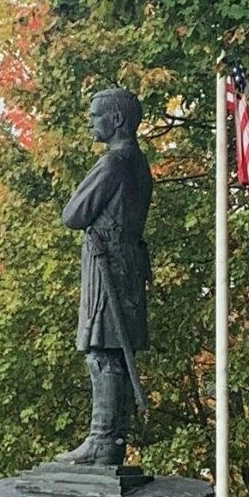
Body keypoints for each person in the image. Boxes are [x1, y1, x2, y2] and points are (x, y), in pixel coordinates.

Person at [55, 88, 153, 466]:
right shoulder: (139, 163)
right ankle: (113, 438)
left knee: (103, 351)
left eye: (96, 115)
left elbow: (73, 215)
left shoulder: (113, 164)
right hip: (128, 266)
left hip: (109, 268)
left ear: (116, 119)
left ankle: (103, 439)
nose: (90, 121)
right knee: (115, 351)